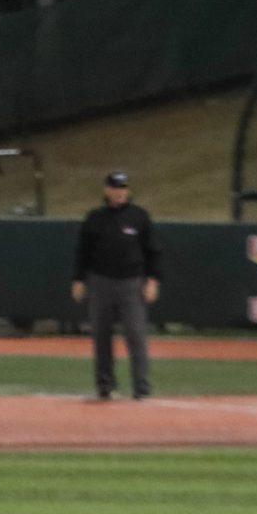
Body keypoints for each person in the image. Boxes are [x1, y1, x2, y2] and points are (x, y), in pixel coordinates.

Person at [71, 171, 162, 401]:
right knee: (101, 336)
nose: (120, 192)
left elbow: (153, 252)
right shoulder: (95, 218)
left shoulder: (139, 217)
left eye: (123, 188)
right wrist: (79, 280)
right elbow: (83, 252)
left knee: (136, 334)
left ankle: (141, 388)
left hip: (131, 283)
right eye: (116, 188)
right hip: (101, 282)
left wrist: (152, 280)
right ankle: (105, 386)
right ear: (107, 190)